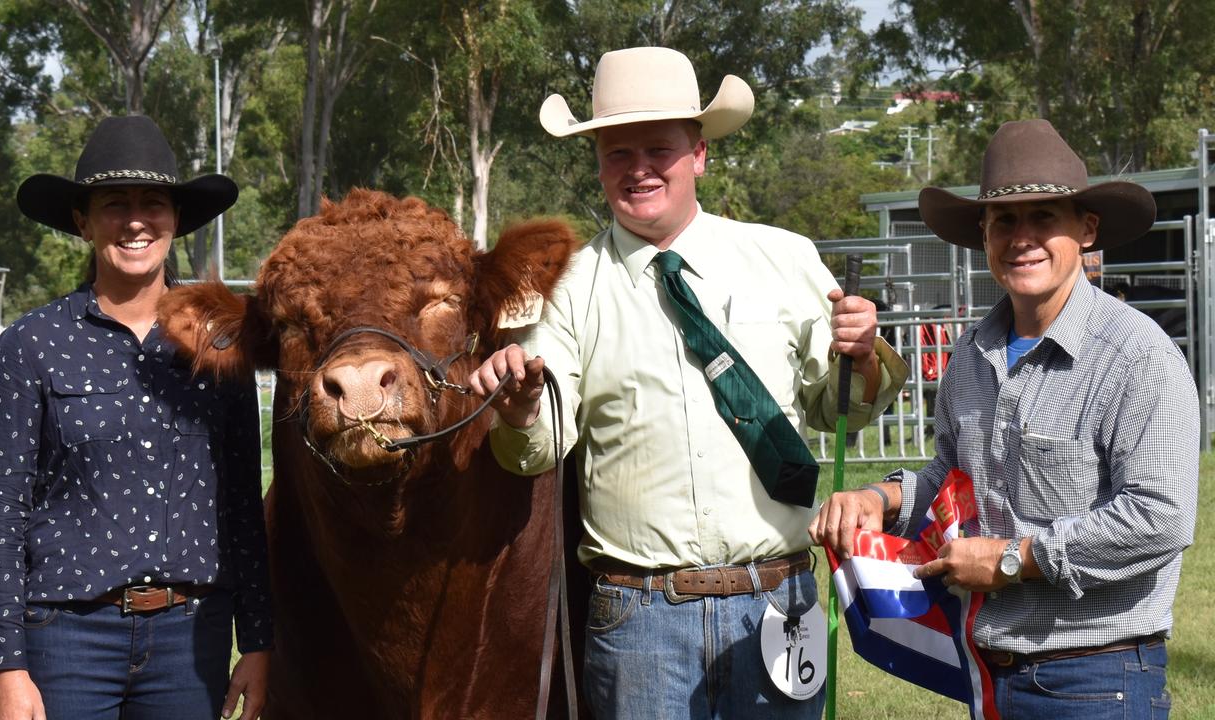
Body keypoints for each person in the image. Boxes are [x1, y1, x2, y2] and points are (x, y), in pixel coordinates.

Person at [469, 47, 908, 719]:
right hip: (637, 618)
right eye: (619, 153)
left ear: (699, 154)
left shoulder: (785, 259)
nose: (639, 169)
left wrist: (865, 355)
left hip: (778, 601)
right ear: (598, 164)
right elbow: (537, 451)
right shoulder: (568, 291)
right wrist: (521, 411)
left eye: (659, 150)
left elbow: (838, 410)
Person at [810, 119, 1197, 718]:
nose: (1022, 237)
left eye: (1045, 217)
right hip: (992, 676)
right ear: (983, 235)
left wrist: (1015, 559)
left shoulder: (1137, 356)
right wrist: (877, 497)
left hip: (1099, 679)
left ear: (1086, 230)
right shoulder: (970, 354)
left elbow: (1162, 518)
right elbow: (951, 478)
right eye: (1005, 221)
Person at [0, 115, 273, 720]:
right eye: (115, 203)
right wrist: (9, 665)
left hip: (191, 639)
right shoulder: (30, 346)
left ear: (175, 220)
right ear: (83, 221)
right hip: (66, 638)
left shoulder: (220, 347)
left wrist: (261, 643)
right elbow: (1, 513)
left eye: (152, 203)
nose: (135, 220)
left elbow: (243, 503)